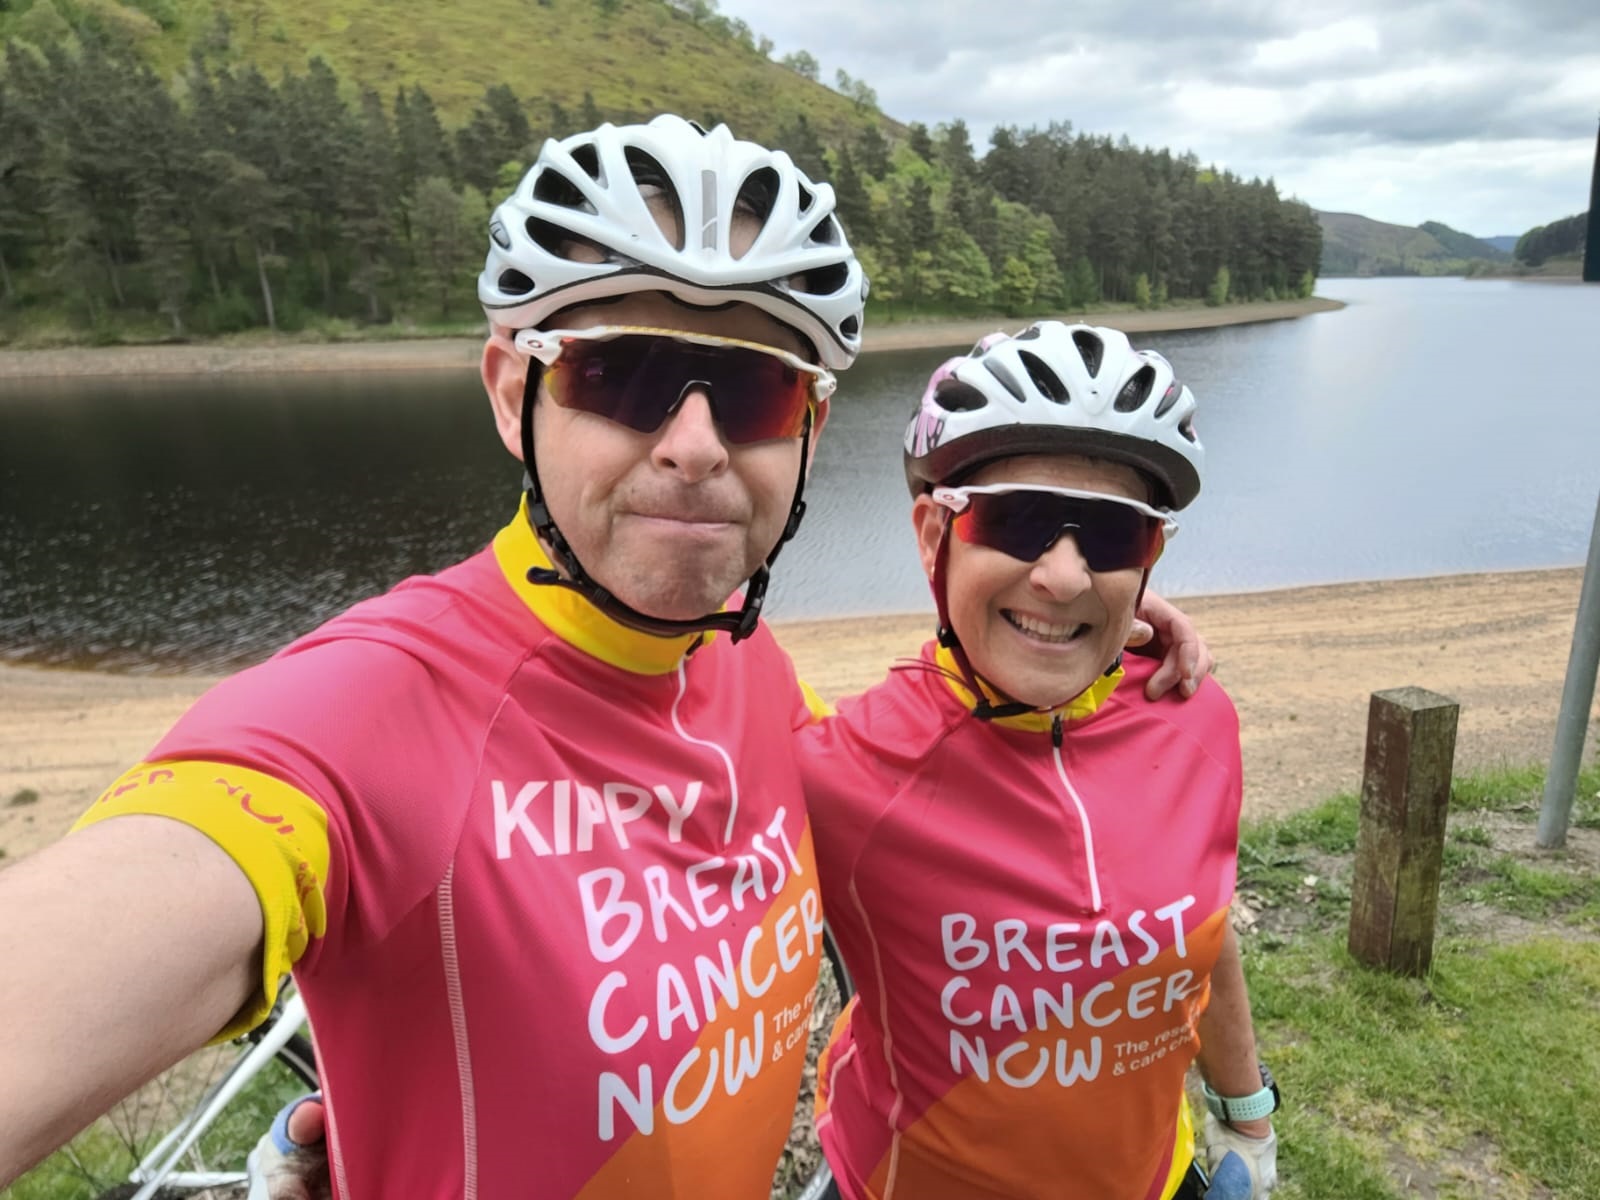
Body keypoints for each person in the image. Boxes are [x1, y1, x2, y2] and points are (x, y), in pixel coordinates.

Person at [0, 117, 1209, 1198]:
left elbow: (924, 770)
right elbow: (162, 879)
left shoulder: (749, 673)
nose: (692, 446)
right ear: (509, 390)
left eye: (752, 394)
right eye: (619, 372)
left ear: (810, 431)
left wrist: (1099, 654)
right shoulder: (365, 710)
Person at [798, 324, 1278, 1199]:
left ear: (1152, 556)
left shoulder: (1195, 717)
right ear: (932, 535)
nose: (1060, 573)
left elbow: (1197, 934)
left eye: (1110, 534)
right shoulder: (839, 772)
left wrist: (1247, 1110)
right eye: (1015, 518)